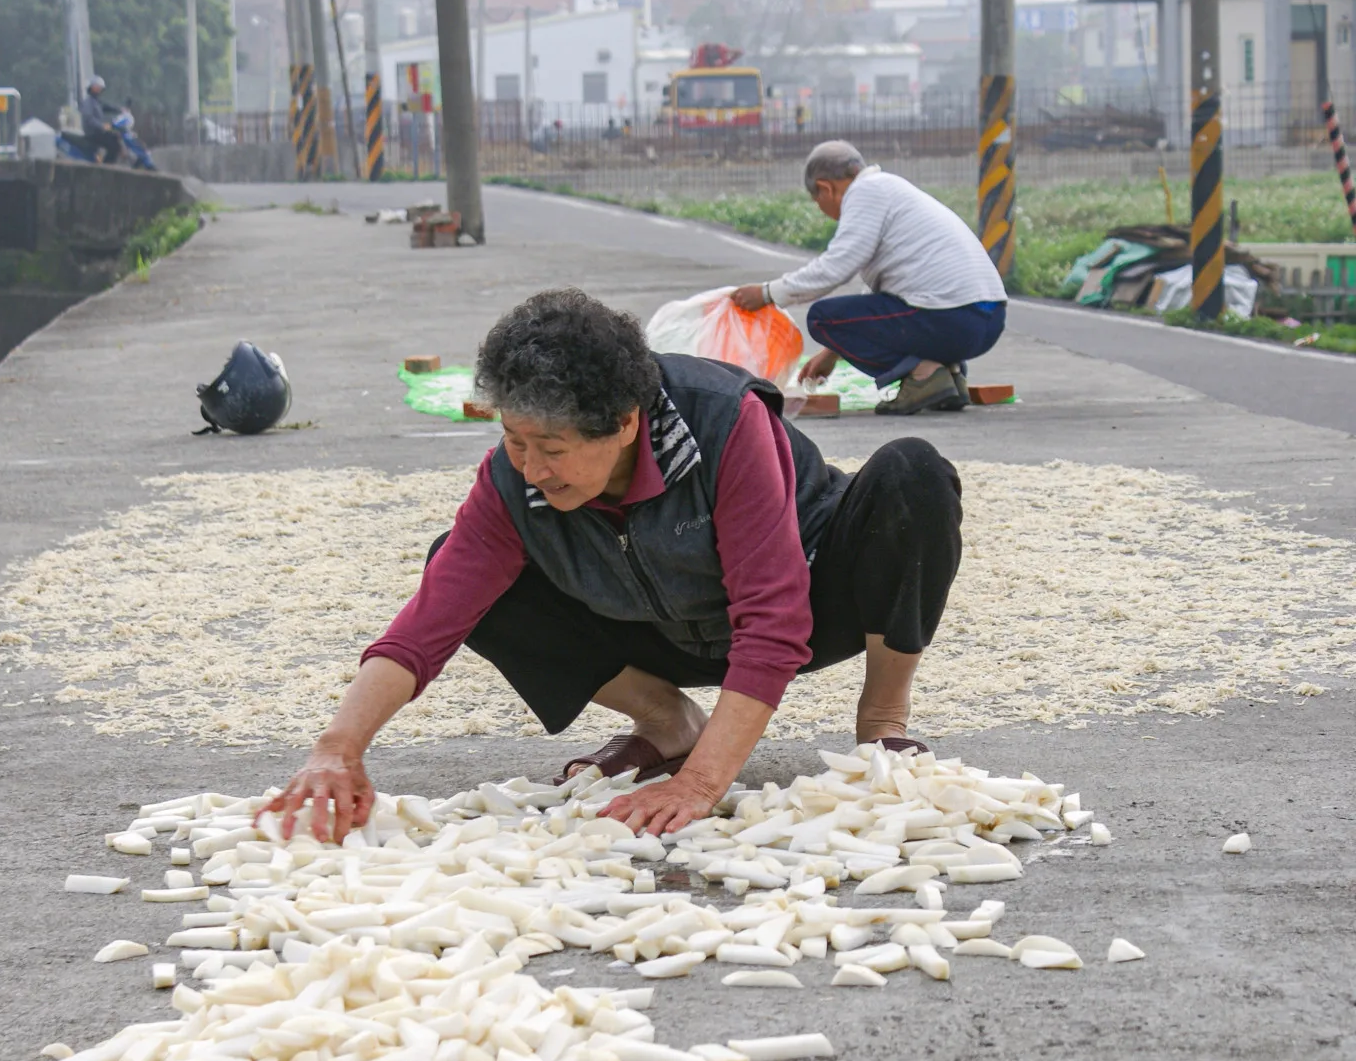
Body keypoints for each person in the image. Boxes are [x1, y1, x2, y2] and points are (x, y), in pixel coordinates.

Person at [258, 288, 963, 841]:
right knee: (458, 566)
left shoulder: (722, 423)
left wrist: (700, 787)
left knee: (914, 475)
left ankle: (882, 716)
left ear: (625, 422)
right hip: (648, 628)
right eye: (513, 439)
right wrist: (337, 745)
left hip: (812, 601)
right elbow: (426, 626)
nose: (531, 467)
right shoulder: (515, 478)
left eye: (552, 447)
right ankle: (667, 723)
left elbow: (774, 626)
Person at [732, 140, 1007, 416]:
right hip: (987, 321)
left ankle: (924, 374)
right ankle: (949, 373)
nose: (822, 210)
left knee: (823, 318)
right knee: (850, 317)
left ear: (826, 188)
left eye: (819, 201)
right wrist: (833, 351)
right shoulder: (890, 188)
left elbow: (836, 266)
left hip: (952, 318)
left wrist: (768, 293)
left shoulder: (865, 193)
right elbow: (880, 299)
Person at [78, 75, 122, 165]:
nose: (99, 89)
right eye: (97, 87)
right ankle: (106, 167)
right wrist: (102, 126)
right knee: (113, 144)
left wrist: (120, 109)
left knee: (116, 138)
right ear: (92, 87)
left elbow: (106, 107)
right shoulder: (88, 102)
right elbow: (89, 119)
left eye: (100, 88)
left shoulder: (96, 101)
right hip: (93, 133)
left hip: (98, 132)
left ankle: (108, 165)